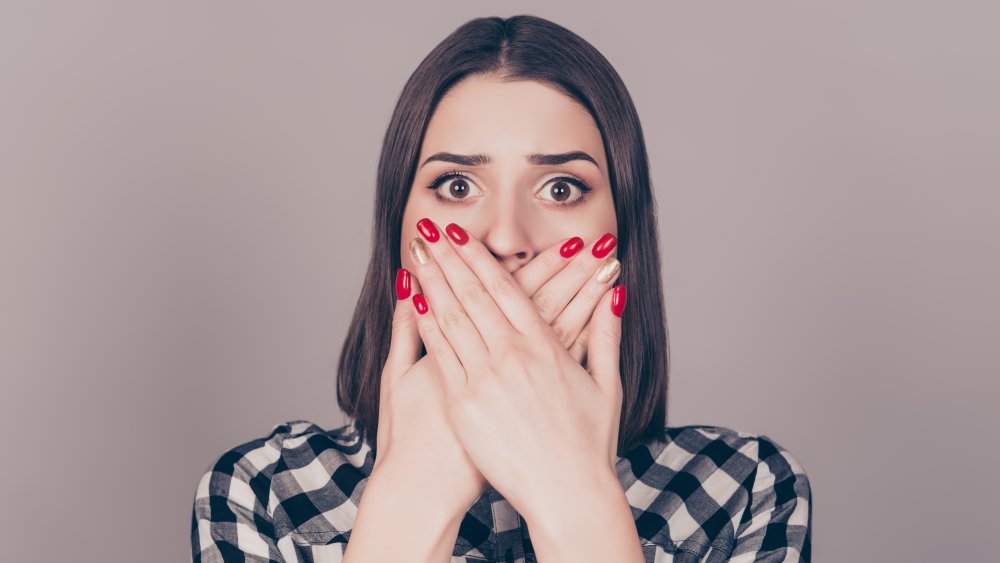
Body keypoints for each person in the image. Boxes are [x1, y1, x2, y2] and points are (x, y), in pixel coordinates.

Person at [190, 14, 812, 563]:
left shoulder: (744, 492)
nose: (508, 237)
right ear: (398, 227)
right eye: (458, 186)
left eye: (562, 188)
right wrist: (416, 489)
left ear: (621, 235)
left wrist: (572, 490)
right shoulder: (263, 493)